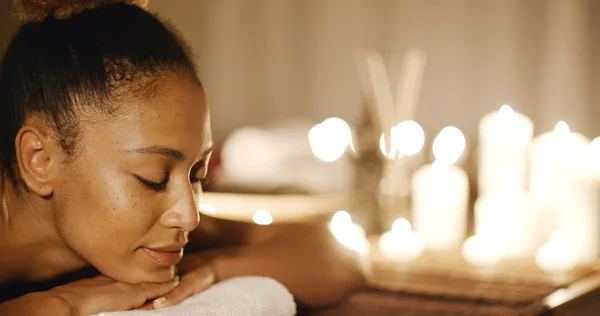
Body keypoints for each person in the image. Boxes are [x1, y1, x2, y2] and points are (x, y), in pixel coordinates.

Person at [0, 0, 366, 314]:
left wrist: (211, 269)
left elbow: (342, 257)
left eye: (196, 174)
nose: (188, 216)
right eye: (153, 178)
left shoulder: (167, 226)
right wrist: (51, 307)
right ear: (39, 159)